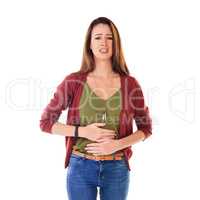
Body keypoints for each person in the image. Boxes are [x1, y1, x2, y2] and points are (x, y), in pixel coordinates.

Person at [40, 16, 152, 200]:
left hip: (117, 168)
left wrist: (118, 145)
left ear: (116, 44)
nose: (104, 43)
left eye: (109, 38)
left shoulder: (130, 84)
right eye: (98, 37)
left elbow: (146, 129)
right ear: (89, 44)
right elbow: (45, 123)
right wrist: (83, 131)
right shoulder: (73, 81)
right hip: (80, 168)